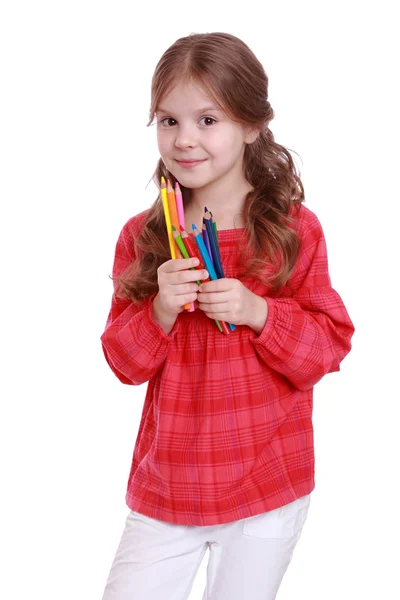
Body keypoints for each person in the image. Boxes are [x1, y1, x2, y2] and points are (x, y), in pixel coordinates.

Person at [100, 31, 355, 600]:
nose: (184, 140)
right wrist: (160, 310)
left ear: (253, 124)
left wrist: (261, 312)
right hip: (169, 489)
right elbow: (123, 363)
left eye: (207, 120)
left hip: (268, 486)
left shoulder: (294, 229)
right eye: (168, 121)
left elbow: (328, 347)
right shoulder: (143, 236)